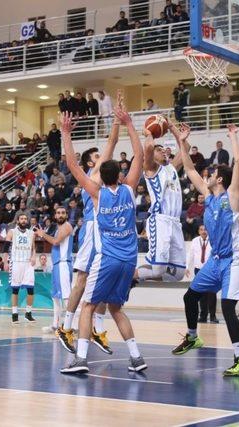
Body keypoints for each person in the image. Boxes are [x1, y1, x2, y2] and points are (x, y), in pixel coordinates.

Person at [59, 106, 147, 374]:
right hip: (130, 259)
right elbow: (139, 156)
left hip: (108, 259)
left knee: (88, 305)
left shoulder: (96, 194)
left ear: (101, 175)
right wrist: (129, 123)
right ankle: (136, 357)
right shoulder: (130, 190)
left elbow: (73, 165)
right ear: (120, 175)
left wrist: (65, 133)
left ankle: (81, 359)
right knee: (116, 309)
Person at [172, 123, 239, 377]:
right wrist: (182, 142)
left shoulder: (232, 196)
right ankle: (193, 337)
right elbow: (188, 169)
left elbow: (238, 161)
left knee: (227, 307)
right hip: (216, 261)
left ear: (220, 178)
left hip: (234, 260)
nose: (206, 175)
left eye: (212, 173)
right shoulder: (208, 197)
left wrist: (233, 136)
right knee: (190, 297)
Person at [56, 106, 121, 356]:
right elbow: (111, 143)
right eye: (97, 155)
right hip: (92, 231)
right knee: (81, 281)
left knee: (105, 281)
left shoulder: (103, 177)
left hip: (105, 232)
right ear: (90, 163)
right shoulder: (91, 174)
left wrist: (117, 120)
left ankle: (97, 329)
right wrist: (66, 134)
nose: (101, 156)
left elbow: (113, 141)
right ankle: (65, 326)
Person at [135, 119, 188, 284]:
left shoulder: (171, 167)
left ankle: (138, 279)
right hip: (160, 220)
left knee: (177, 273)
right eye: (159, 149)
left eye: (164, 149)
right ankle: (127, 276)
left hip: (175, 222)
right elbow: (149, 148)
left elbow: (185, 148)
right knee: (158, 268)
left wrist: (173, 128)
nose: (163, 151)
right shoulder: (150, 169)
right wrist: (149, 132)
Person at [34, 207, 74, 334]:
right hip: (57, 265)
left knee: (67, 298)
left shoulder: (67, 226)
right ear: (55, 216)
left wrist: (42, 234)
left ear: (66, 215)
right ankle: (55, 325)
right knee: (56, 297)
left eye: (63, 213)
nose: (60, 215)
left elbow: (56, 242)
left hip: (63, 264)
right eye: (58, 213)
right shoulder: (58, 228)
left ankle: (69, 327)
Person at [3, 213, 37, 324]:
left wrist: (34, 256)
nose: (24, 220)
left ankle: (28, 313)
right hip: (16, 262)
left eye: (25, 219)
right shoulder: (12, 232)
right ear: (18, 220)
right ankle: (14, 314)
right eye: (21, 219)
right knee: (15, 289)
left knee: (31, 289)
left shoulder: (31, 233)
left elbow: (33, 247)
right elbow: (5, 248)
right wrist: (5, 262)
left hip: (28, 263)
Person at [186, 225, 217, 323]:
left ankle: (213, 316)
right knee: (201, 294)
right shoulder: (195, 241)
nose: (204, 231)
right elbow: (190, 254)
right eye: (201, 230)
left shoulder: (213, 240)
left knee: (212, 293)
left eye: (205, 229)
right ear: (199, 231)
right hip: (198, 270)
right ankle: (203, 316)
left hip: (210, 270)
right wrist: (186, 267)